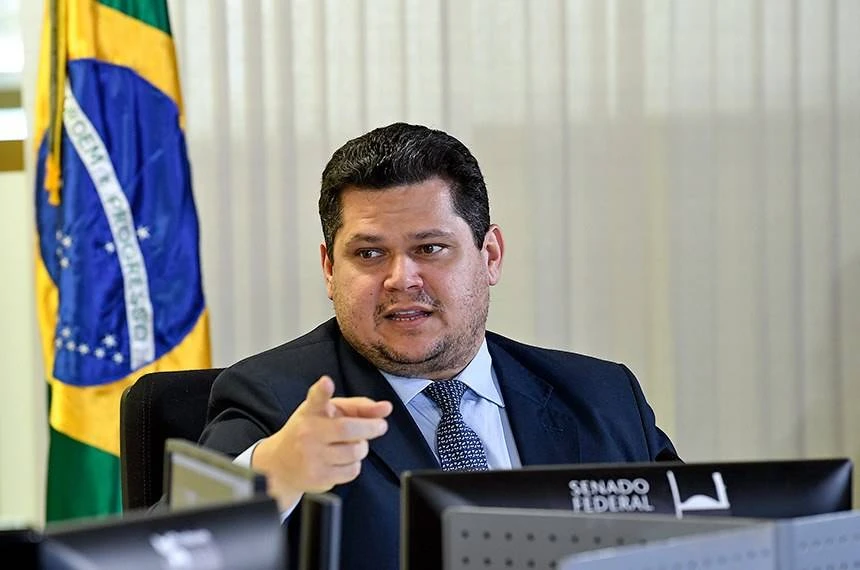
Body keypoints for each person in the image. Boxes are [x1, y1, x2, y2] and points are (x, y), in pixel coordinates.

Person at [198, 122, 678, 569]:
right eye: (369, 253)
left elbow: (701, 543)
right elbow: (176, 552)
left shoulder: (602, 396)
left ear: (489, 256)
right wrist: (275, 473)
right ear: (329, 269)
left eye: (429, 248)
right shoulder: (276, 400)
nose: (401, 279)